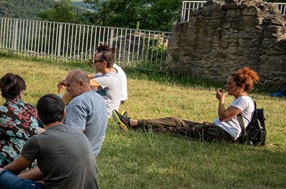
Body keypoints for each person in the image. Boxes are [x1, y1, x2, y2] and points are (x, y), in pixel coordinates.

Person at [0, 94, 99, 189]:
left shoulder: (39, 140)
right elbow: (46, 170)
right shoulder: (80, 136)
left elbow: (13, 169)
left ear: (39, 117)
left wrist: (3, 182)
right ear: (64, 114)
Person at [119, 67, 259, 142]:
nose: (226, 86)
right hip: (215, 129)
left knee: (175, 131)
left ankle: (133, 129)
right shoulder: (240, 99)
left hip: (221, 134)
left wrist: (221, 100)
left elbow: (223, 117)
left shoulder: (244, 100)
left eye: (230, 84)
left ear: (240, 86)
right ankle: (134, 122)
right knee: (175, 121)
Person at [57, 70, 107, 156]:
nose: (67, 89)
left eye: (69, 85)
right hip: (93, 151)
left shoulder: (78, 102)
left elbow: (74, 137)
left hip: (78, 156)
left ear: (80, 84)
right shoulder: (99, 97)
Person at [90, 50, 124, 116]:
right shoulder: (107, 74)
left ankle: (63, 107)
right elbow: (86, 77)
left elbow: (83, 82)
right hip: (102, 110)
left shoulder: (108, 79)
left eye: (95, 61)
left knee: (79, 87)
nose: (94, 64)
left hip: (105, 114)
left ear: (104, 64)